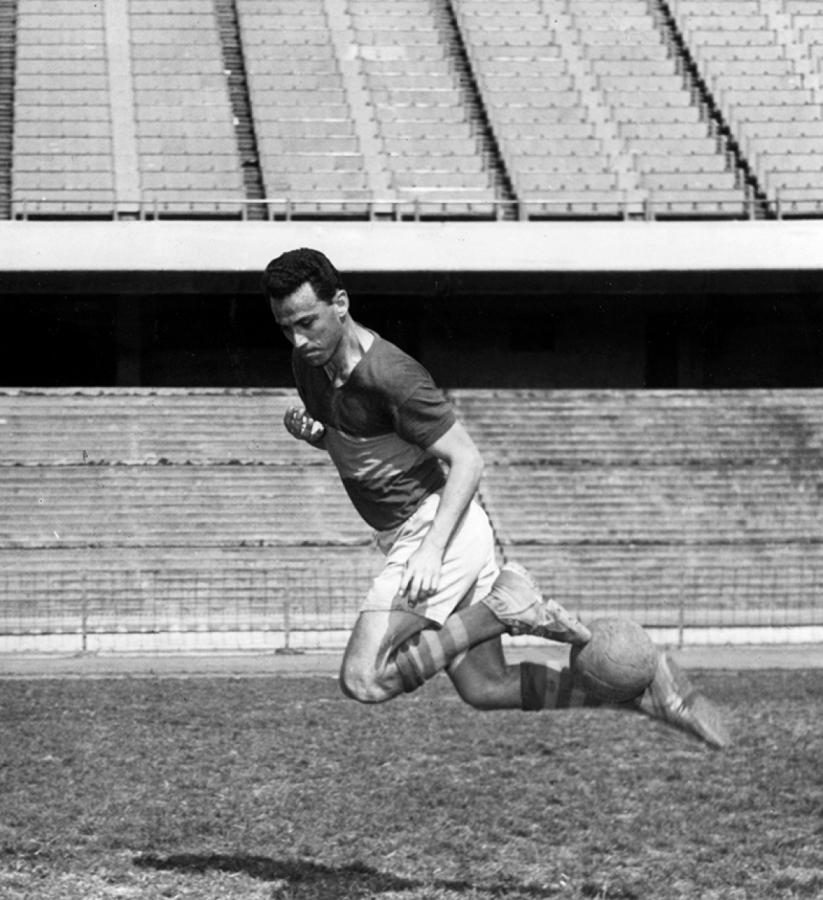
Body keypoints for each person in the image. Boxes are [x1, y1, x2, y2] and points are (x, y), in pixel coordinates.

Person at [262, 247, 730, 749]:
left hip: (435, 530)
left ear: (341, 303)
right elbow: (361, 440)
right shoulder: (307, 365)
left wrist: (431, 549)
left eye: (308, 322)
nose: (299, 338)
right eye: (287, 327)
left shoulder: (393, 376)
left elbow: (468, 460)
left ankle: (503, 608)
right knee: (485, 688)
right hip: (422, 532)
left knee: (364, 678)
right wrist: (317, 433)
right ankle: (646, 692)